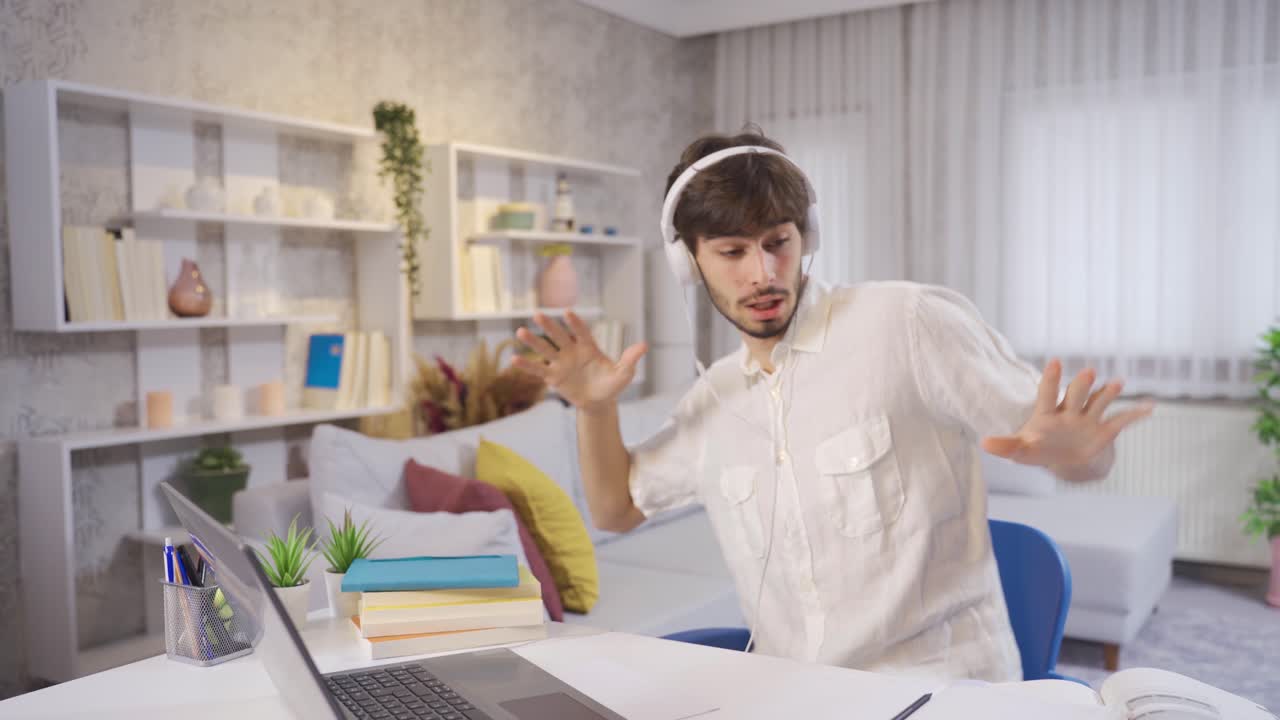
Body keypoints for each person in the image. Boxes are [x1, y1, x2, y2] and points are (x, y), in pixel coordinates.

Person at [509, 127, 1154, 682]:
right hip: (799, 695)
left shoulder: (907, 322)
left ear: (805, 236)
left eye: (778, 242)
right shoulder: (714, 401)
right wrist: (595, 410)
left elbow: (1065, 449)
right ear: (690, 264)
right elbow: (617, 509)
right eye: (732, 253)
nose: (762, 273)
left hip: (948, 687)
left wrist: (1077, 459)